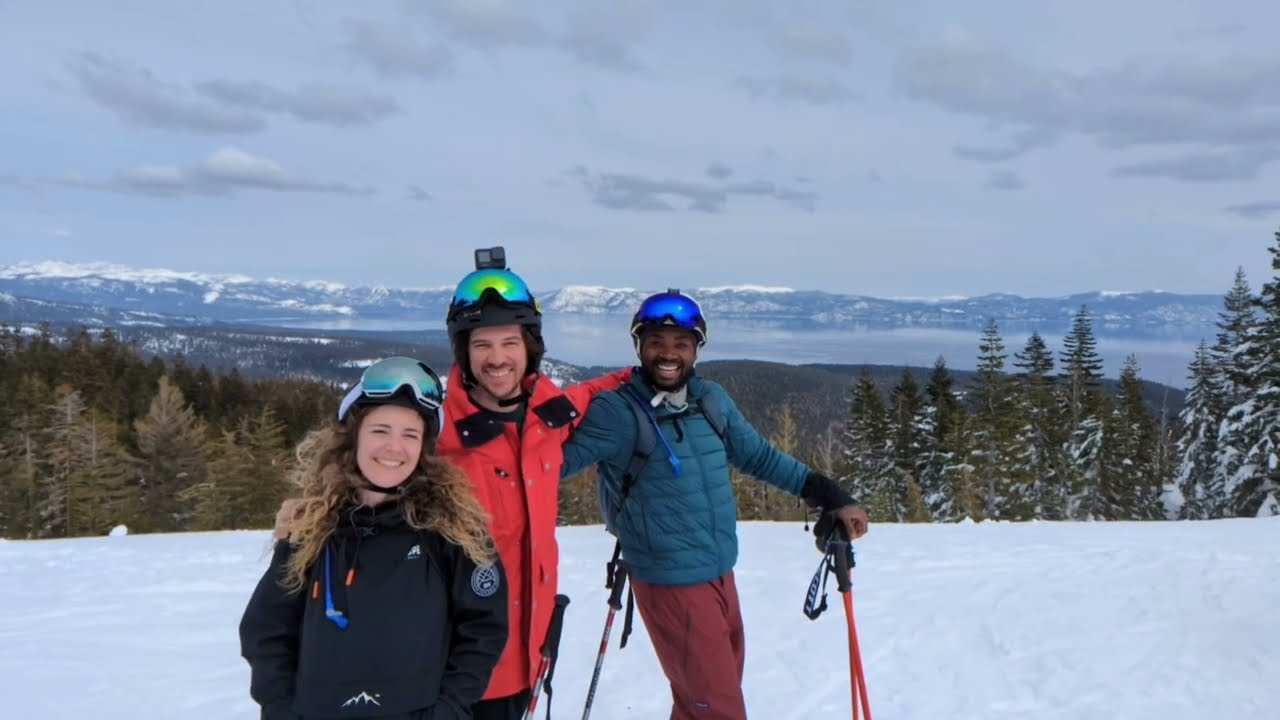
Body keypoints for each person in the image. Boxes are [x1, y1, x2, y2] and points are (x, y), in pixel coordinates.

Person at [560, 289, 870, 720]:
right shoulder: (617, 413)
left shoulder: (709, 401)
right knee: (719, 709)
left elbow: (760, 457)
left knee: (705, 703)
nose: (668, 354)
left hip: (720, 573)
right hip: (669, 582)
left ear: (696, 350)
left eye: (681, 344)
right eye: (656, 343)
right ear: (639, 347)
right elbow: (549, 467)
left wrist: (828, 494)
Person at [240, 356, 509, 720]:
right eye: (380, 430)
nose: (393, 448)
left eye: (410, 435)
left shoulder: (453, 530)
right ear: (354, 436)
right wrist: (282, 708)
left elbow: (482, 630)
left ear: (424, 448)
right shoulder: (312, 526)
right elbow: (268, 628)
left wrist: (447, 710)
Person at [435, 251, 630, 719]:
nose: (497, 359)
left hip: (532, 654)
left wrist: (638, 375)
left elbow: (589, 394)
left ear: (530, 349)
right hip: (459, 670)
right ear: (464, 351)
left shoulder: (547, 416)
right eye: (482, 345)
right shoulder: (434, 433)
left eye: (509, 343)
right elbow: (370, 465)